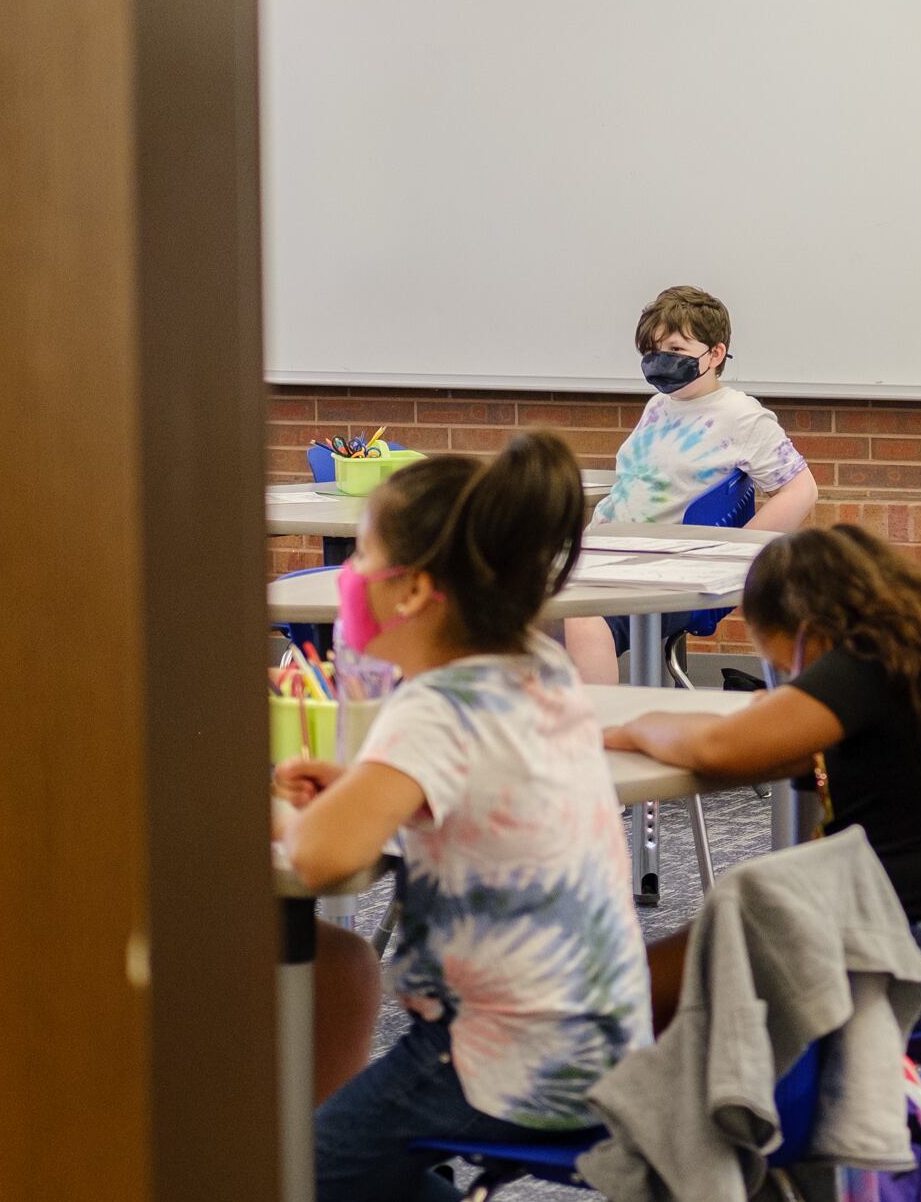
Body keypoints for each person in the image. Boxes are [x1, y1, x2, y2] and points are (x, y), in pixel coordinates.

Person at [272, 432, 650, 1202]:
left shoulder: (434, 709)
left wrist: (278, 806)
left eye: (362, 558)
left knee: (292, 1172)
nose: (348, 579)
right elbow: (482, 789)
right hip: (603, 1040)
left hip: (500, 1060)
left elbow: (317, 857)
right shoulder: (535, 670)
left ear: (410, 590)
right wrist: (363, 783)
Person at [602, 524, 921, 1026]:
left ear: (810, 629)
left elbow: (719, 749)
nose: (791, 679)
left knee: (723, 928)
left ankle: (589, 1052)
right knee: (724, 929)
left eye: (788, 664)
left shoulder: (869, 659)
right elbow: (767, 727)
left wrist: (635, 730)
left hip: (902, 961)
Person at [559, 284, 818, 684]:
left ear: (715, 354)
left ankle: (596, 734)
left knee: (577, 617)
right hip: (609, 555)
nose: (661, 360)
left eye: (676, 350)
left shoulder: (740, 416)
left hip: (660, 572)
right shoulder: (660, 406)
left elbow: (801, 489)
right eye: (652, 350)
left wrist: (733, 554)